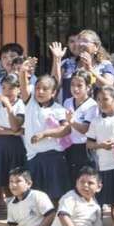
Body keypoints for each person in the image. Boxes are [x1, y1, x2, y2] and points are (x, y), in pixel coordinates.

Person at [22, 75, 70, 204]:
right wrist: (23, 72)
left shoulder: (58, 109)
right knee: (36, 196)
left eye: (45, 89)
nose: (40, 91)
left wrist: (45, 133)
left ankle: (57, 223)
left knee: (55, 195)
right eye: (37, 88)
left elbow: (66, 129)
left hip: (53, 157)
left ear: (53, 93)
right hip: (33, 157)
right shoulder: (30, 103)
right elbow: (23, 86)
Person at [84, 85, 114, 208]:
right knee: (111, 203)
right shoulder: (95, 121)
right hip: (104, 167)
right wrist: (100, 145)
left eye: (105, 99)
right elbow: (89, 144)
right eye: (99, 100)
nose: (101, 103)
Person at [0, 74, 25, 208]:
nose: (7, 92)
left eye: (11, 88)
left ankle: (20, 209)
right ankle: (12, 209)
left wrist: (9, 107)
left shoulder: (21, 104)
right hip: (1, 145)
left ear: (18, 89)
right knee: (3, 179)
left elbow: (16, 125)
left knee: (17, 179)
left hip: (17, 146)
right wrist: (11, 131)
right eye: (4, 88)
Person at [54, 31, 114, 103]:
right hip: (70, 110)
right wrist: (57, 59)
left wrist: (90, 69)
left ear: (96, 46)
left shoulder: (104, 65)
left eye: (85, 41)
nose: (81, 44)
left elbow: (109, 87)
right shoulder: (67, 63)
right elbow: (54, 85)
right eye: (79, 41)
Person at [62, 70, 99, 188]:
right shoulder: (67, 102)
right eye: (72, 85)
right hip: (69, 147)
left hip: (85, 149)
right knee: (73, 181)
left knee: (87, 181)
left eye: (79, 85)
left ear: (88, 87)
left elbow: (85, 129)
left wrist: (71, 122)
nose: (75, 88)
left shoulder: (92, 105)